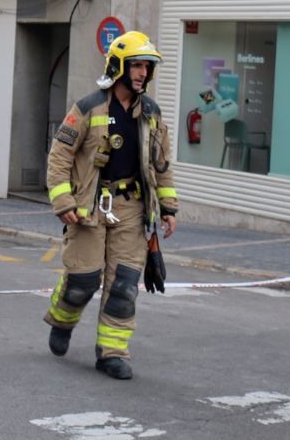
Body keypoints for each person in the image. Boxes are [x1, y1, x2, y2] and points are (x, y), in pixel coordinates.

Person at [43, 31, 179, 380]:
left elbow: (161, 164)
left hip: (131, 208)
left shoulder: (151, 113)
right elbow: (59, 157)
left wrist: (168, 208)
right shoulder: (88, 108)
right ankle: (62, 320)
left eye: (147, 67)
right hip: (89, 207)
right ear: (118, 67)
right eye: (136, 66)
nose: (142, 74)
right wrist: (63, 200)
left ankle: (112, 353)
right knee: (82, 282)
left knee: (124, 286)